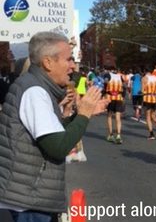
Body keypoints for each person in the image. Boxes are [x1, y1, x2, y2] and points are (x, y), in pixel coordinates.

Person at [0, 31, 109, 222]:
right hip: (30, 200)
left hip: (29, 196)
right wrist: (83, 113)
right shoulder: (35, 91)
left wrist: (82, 113)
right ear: (48, 62)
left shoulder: (36, 87)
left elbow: (52, 132)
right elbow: (57, 147)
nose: (73, 66)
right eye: (68, 59)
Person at [104, 66, 125, 144]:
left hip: (110, 97)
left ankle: (111, 134)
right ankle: (118, 135)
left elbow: (105, 82)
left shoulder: (107, 75)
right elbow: (123, 85)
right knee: (118, 116)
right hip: (119, 97)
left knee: (109, 115)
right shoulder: (120, 76)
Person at [142, 65, 156, 140]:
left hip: (147, 98)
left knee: (148, 117)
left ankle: (151, 134)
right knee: (153, 115)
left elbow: (142, 90)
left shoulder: (144, 78)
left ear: (145, 71)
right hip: (155, 98)